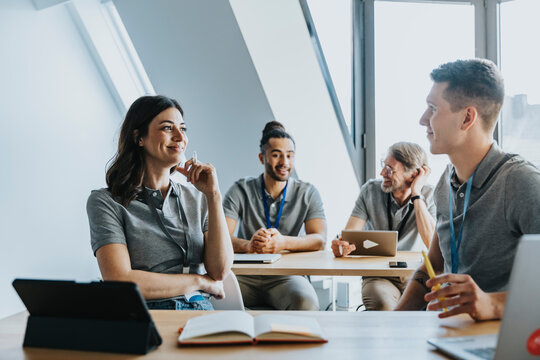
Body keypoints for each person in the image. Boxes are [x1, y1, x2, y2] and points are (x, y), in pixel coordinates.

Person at [395, 59, 540, 320]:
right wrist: (393, 322)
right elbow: (433, 265)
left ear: (467, 117)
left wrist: (493, 304)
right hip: (448, 332)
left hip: (500, 344)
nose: (422, 120)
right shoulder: (446, 182)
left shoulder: (520, 182)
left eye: (432, 108)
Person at [86, 95, 233, 310]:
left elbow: (219, 271)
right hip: (145, 315)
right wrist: (199, 281)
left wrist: (214, 196)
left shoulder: (199, 197)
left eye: (183, 128)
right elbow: (120, 280)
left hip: (198, 312)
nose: (179, 136)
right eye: (167, 128)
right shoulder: (105, 202)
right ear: (139, 137)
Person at [222, 121, 327, 310]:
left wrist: (283, 243)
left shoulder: (308, 192)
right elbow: (221, 238)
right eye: (277, 155)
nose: (284, 163)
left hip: (287, 275)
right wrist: (249, 245)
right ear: (262, 158)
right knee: (210, 298)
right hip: (245, 273)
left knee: (307, 304)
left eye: (289, 156)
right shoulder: (240, 189)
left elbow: (319, 239)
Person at [331, 142, 436, 310]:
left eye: (390, 169)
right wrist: (341, 245)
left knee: (428, 310)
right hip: (378, 275)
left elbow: (431, 241)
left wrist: (416, 194)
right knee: (383, 306)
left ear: (413, 175)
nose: (382, 173)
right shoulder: (370, 191)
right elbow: (350, 234)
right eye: (383, 166)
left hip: (416, 274)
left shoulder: (429, 195)